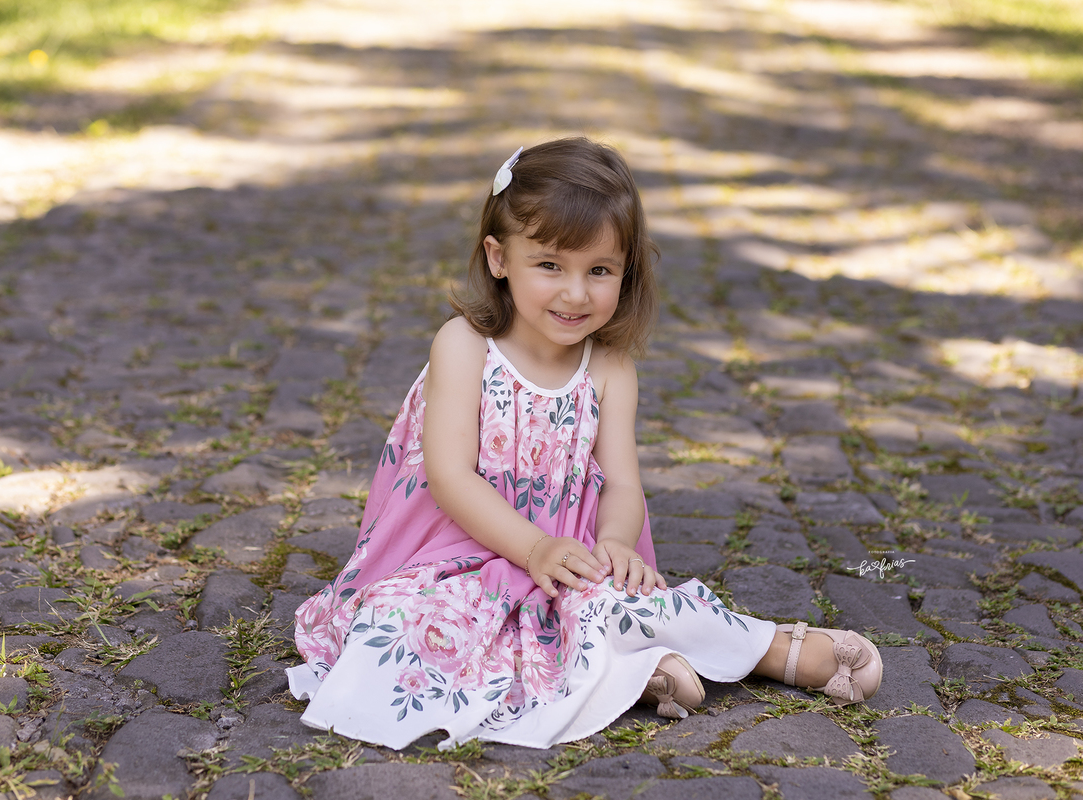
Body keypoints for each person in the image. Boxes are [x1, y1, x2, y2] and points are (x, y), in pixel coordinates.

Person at [286, 138, 881, 750]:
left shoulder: (610, 367)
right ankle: (626, 673)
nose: (575, 293)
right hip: (454, 559)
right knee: (409, 626)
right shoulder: (463, 346)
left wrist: (615, 542)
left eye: (599, 271)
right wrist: (532, 545)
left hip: (568, 560)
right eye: (550, 266)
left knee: (616, 596)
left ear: (627, 272)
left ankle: (765, 647)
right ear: (498, 257)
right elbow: (449, 476)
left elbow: (621, 481)